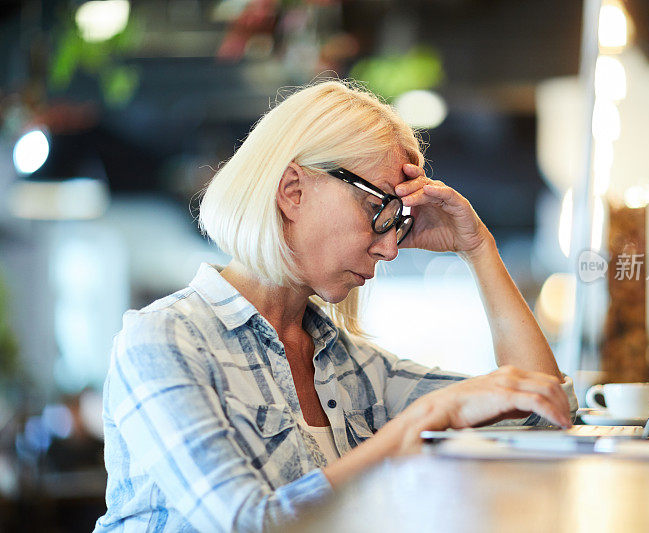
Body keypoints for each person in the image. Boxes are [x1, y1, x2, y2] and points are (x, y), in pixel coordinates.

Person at [94, 80, 577, 532]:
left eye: (398, 224)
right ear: (293, 192)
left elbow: (538, 406)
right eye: (377, 213)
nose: (389, 250)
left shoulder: (348, 364)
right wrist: (421, 420)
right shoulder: (163, 340)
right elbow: (247, 522)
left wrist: (477, 247)